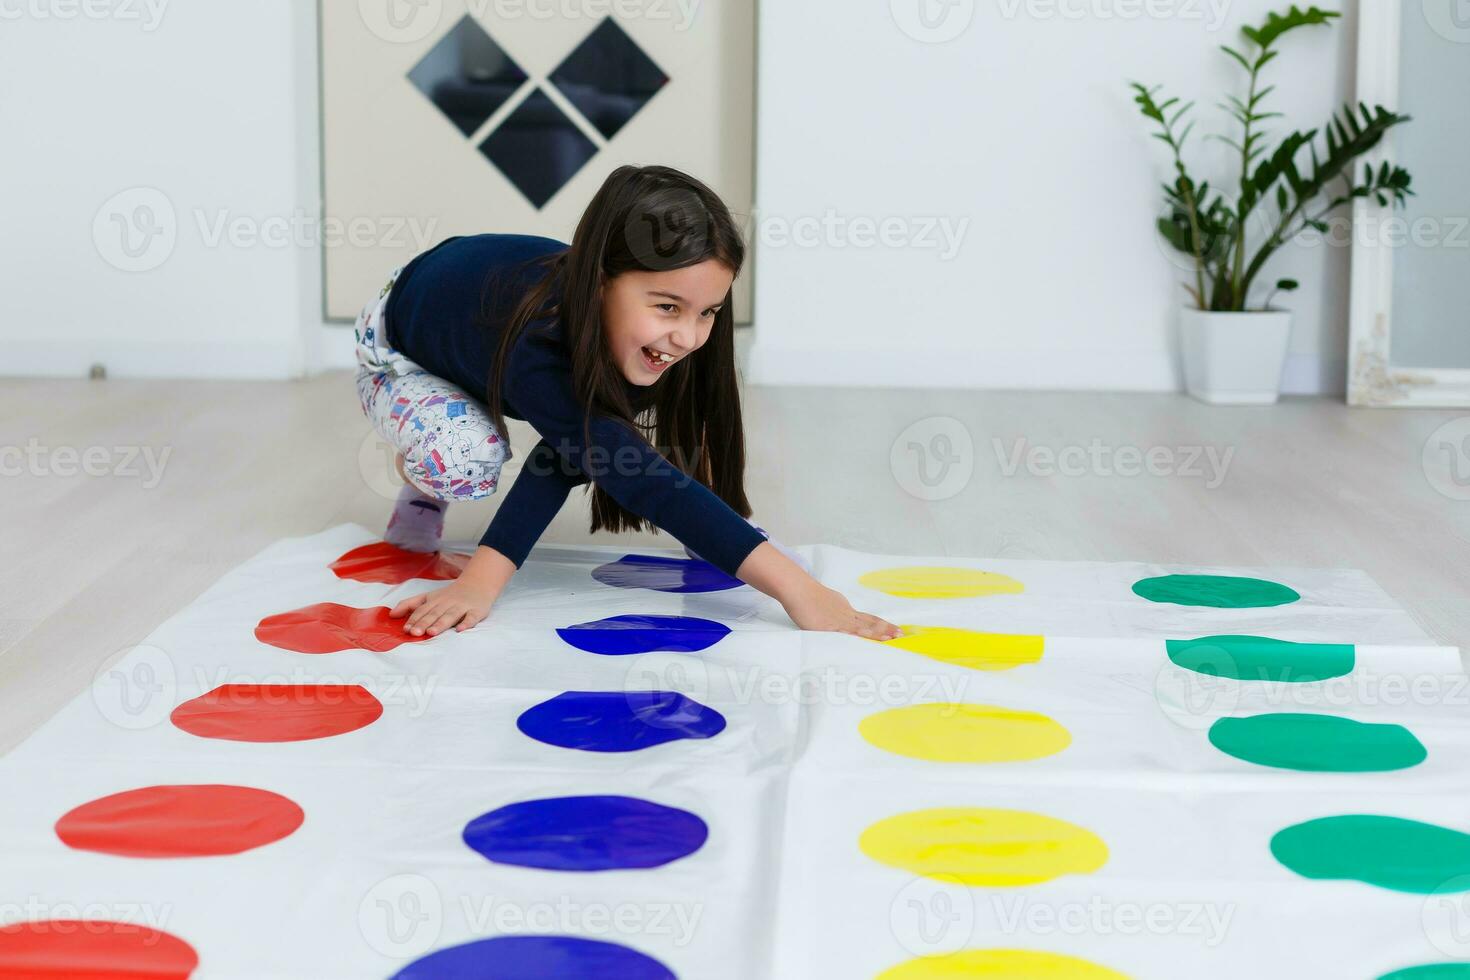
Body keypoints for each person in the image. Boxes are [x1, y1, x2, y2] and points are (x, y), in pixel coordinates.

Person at [353, 164, 902, 643]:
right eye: (668, 307)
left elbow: (581, 449)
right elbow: (614, 466)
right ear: (599, 284)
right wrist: (796, 587)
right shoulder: (537, 342)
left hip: (474, 324)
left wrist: (724, 534)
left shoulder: (642, 330)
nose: (688, 336)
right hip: (399, 343)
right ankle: (422, 482)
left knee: (593, 426)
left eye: (707, 311)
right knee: (465, 457)